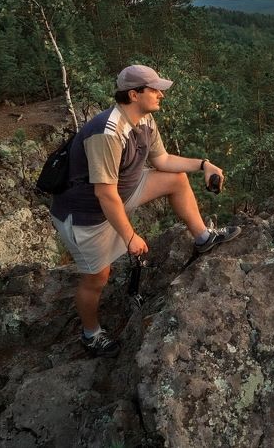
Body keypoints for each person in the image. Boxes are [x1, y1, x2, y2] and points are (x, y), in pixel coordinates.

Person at [49, 64, 241, 357]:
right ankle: (91, 334)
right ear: (134, 94)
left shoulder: (145, 122)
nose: (161, 94)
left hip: (121, 193)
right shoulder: (108, 132)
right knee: (97, 278)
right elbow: (104, 193)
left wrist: (204, 165)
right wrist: (130, 237)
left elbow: (163, 160)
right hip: (86, 214)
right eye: (154, 89)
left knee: (176, 180)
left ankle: (203, 237)